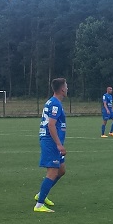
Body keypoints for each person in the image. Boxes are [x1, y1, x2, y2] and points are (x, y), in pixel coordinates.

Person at [34, 78, 68, 213]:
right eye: (66, 86)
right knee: (53, 172)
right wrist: (58, 144)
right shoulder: (55, 104)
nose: (67, 88)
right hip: (50, 141)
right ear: (62, 89)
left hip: (52, 140)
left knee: (61, 170)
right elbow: (51, 125)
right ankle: (39, 204)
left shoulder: (53, 102)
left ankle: (41, 194)